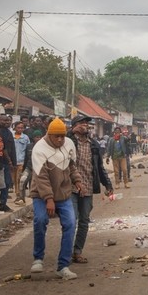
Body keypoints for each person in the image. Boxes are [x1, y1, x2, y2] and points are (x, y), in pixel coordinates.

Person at [30, 118, 82, 280]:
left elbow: (71, 166)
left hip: (64, 194)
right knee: (40, 220)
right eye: (56, 137)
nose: (60, 140)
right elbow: (42, 177)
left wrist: (78, 181)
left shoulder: (68, 144)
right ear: (49, 134)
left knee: (70, 224)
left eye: (62, 136)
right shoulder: (39, 149)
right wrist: (49, 199)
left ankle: (63, 266)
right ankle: (38, 258)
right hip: (41, 194)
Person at [68, 115, 113, 264]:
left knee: (84, 221)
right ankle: (66, 252)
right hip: (70, 188)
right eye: (81, 123)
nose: (85, 126)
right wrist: (71, 132)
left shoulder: (93, 144)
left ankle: (77, 252)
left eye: (87, 124)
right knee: (71, 220)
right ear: (74, 126)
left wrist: (108, 184)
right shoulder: (68, 141)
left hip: (87, 187)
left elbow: (99, 167)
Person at [12, 121, 30, 205]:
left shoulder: (25, 138)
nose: (20, 129)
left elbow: (28, 149)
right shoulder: (11, 136)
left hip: (21, 161)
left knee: (20, 179)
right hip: (12, 162)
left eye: (22, 127)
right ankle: (17, 194)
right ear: (15, 128)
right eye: (18, 127)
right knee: (13, 179)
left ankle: (19, 196)